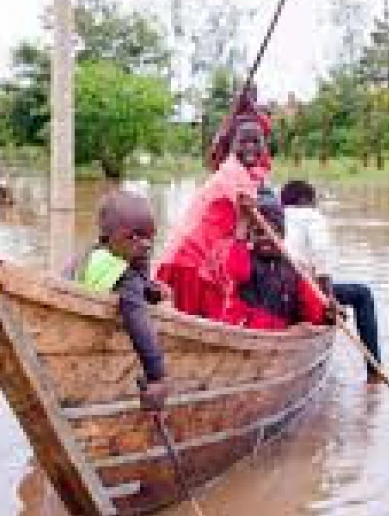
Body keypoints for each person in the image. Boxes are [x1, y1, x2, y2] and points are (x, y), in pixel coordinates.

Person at [155, 113, 271, 320]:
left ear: (264, 145)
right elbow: (249, 227)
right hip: (191, 262)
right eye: (243, 142)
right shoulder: (234, 175)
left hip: (192, 260)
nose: (250, 147)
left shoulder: (244, 173)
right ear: (231, 146)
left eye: (256, 141)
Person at [65, 190, 169, 410]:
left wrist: (150, 290)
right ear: (108, 237)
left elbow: (135, 288)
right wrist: (157, 377)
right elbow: (138, 319)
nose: (146, 244)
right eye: (134, 236)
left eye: (150, 237)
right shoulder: (124, 276)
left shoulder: (89, 256)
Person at [280, 180, 384, 383]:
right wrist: (329, 300)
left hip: (276, 286)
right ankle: (374, 369)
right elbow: (321, 257)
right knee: (363, 294)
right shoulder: (311, 216)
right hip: (302, 290)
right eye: (314, 201)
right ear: (304, 200)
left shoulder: (274, 214)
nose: (315, 205)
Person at [217, 197, 328, 330]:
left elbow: (312, 311)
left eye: (272, 233)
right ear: (250, 235)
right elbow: (236, 271)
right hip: (244, 328)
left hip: (282, 334)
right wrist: (243, 224)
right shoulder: (246, 258)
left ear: (282, 235)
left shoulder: (294, 268)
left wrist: (326, 315)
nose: (265, 238)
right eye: (258, 233)